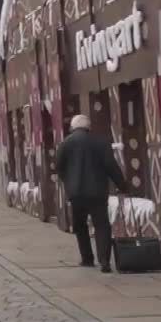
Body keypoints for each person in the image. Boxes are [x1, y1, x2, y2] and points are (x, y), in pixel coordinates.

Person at [55, 114, 128, 273]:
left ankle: (87, 258)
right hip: (98, 192)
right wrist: (122, 185)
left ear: (73, 127)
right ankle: (105, 261)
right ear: (89, 127)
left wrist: (68, 181)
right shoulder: (100, 142)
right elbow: (111, 166)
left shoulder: (66, 143)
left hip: (76, 193)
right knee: (102, 225)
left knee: (80, 226)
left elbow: (58, 166)